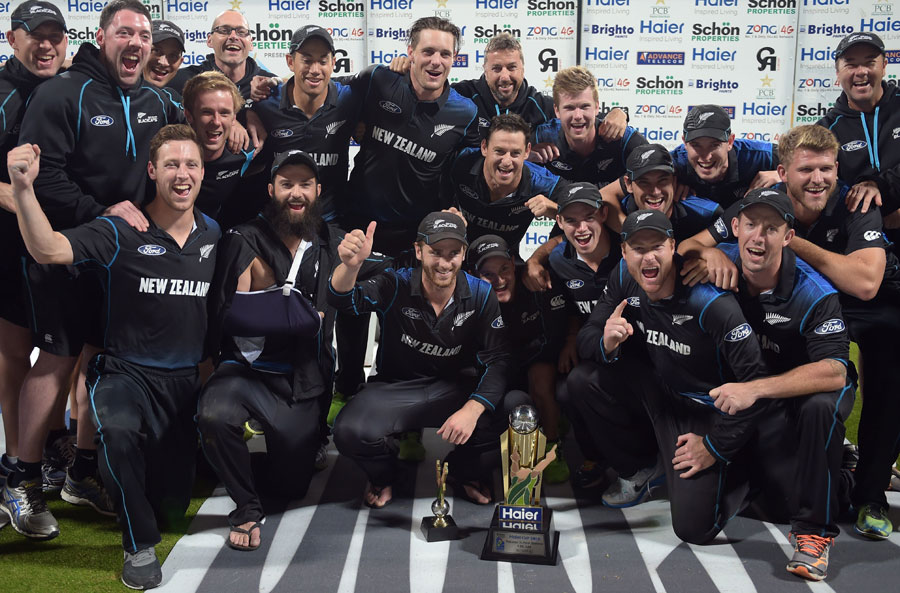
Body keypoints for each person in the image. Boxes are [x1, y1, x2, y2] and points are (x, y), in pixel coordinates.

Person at [3, 124, 219, 589]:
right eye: (172, 165)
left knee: (169, 507)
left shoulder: (214, 235)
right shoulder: (121, 228)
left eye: (191, 165)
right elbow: (47, 248)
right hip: (124, 373)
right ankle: (136, 545)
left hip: (181, 384)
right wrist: (23, 190)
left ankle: (143, 508)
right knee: (117, 434)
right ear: (152, 171)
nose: (182, 175)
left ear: (203, 172)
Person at [7, 0, 182, 539]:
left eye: (144, 34)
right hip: (67, 250)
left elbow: (183, 150)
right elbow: (45, 178)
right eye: (124, 32)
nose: (135, 42)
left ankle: (81, 473)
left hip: (123, 259)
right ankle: (22, 479)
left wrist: (245, 122)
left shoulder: (156, 100)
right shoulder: (61, 93)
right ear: (102, 37)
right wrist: (100, 211)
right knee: (57, 359)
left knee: (100, 357)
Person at [687, 124, 900, 541]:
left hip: (865, 306)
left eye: (825, 169)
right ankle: (796, 458)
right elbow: (690, 247)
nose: (817, 179)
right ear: (783, 174)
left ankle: (870, 493)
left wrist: (790, 242)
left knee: (885, 370)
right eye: (805, 170)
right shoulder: (762, 204)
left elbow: (865, 283)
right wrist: (712, 252)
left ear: (837, 169)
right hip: (802, 302)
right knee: (769, 359)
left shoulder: (856, 201)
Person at [199, 150, 387, 550]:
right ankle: (247, 506)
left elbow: (390, 273)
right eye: (286, 184)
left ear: (319, 191)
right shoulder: (242, 237)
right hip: (245, 373)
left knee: (292, 487)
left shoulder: (335, 241)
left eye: (305, 184)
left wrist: (355, 271)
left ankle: (268, 453)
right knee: (214, 415)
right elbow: (228, 315)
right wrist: (281, 307)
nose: (296, 193)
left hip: (303, 379)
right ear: (271, 190)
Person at [574, 209, 769, 530]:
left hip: (709, 409)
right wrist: (606, 342)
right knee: (583, 380)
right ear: (624, 252)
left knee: (694, 528)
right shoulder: (624, 275)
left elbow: (757, 385)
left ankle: (743, 470)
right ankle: (644, 468)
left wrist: (714, 447)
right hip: (664, 394)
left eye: (657, 248)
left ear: (673, 247)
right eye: (638, 249)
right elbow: (587, 338)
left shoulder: (710, 301)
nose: (648, 258)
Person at [328, 211, 525, 508]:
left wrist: (472, 410)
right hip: (397, 388)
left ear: (463, 254)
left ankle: (463, 472)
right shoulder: (395, 283)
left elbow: (497, 360)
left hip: (453, 389)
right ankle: (385, 475)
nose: (444, 263)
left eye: (453, 253)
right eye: (435, 252)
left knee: (518, 408)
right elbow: (343, 300)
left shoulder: (482, 294)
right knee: (348, 432)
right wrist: (349, 266)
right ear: (419, 251)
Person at [712, 188, 854, 581]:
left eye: (772, 228)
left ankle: (814, 534)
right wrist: (701, 252)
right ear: (735, 227)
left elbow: (835, 370)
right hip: (758, 388)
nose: (759, 238)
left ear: (788, 236)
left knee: (819, 408)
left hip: (810, 387)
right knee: (774, 502)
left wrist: (756, 389)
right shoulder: (718, 263)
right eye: (751, 225)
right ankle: (840, 473)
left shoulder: (815, 292)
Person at [0, 0, 68, 492]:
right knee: (13, 353)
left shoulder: (68, 90)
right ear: (12, 38)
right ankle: (12, 457)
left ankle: (52, 443)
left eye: (54, 36)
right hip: (7, 245)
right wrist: (25, 204)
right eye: (35, 35)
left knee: (64, 349)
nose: (45, 45)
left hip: (58, 243)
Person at [468, 235, 569, 483]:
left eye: (504, 269)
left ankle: (553, 446)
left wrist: (573, 337)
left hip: (535, 360)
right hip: (494, 369)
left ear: (514, 263)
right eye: (488, 274)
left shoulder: (535, 278)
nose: (499, 280)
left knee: (541, 378)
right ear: (472, 274)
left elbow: (563, 238)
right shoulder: (467, 296)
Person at [546, 183, 625, 489]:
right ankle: (593, 456)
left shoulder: (627, 251)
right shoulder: (558, 260)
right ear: (559, 223)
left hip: (638, 351)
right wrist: (569, 339)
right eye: (571, 220)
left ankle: (638, 460)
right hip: (592, 349)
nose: (581, 228)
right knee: (567, 389)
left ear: (603, 215)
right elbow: (567, 309)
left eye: (588, 217)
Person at [248, 25, 363, 225]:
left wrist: (405, 64)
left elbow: (385, 85)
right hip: (280, 222)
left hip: (332, 222)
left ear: (334, 63)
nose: (315, 70)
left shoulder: (350, 98)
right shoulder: (266, 103)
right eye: (307, 60)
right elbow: (230, 108)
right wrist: (246, 111)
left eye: (323, 61)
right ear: (290, 62)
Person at [817, 32, 900, 223]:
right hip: (860, 235)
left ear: (884, 66)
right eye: (851, 64)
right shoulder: (826, 129)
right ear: (838, 73)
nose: (861, 71)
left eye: (870, 62)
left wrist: (881, 186)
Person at [451, 113, 566, 252]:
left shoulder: (543, 182)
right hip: (457, 253)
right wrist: (445, 212)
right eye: (499, 151)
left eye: (515, 153)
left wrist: (555, 210)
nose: (506, 162)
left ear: (527, 152)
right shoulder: (461, 161)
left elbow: (587, 214)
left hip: (504, 260)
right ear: (484, 148)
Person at [531, 66, 645, 187]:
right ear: (556, 110)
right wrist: (526, 158)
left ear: (597, 107)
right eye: (569, 107)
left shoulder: (623, 138)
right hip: (560, 205)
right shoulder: (541, 137)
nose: (578, 116)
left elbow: (656, 176)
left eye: (585, 106)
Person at [182, 71, 255, 222]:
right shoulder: (170, 153)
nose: (216, 121)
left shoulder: (245, 152)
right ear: (189, 115)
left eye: (224, 113)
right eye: (207, 112)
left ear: (234, 118)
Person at [620, 144, 723, 242]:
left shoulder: (706, 214)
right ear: (628, 184)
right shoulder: (615, 213)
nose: (655, 191)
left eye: (662, 181)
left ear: (674, 182)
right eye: (644, 182)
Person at [167, 9, 275, 100]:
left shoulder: (269, 85)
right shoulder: (182, 81)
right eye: (224, 30)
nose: (233, 36)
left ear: (251, 43)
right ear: (210, 40)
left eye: (241, 32)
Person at [142, 19, 184, 92]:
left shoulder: (177, 100)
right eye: (156, 51)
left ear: (180, 62)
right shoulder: (116, 96)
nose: (163, 62)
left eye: (173, 56)